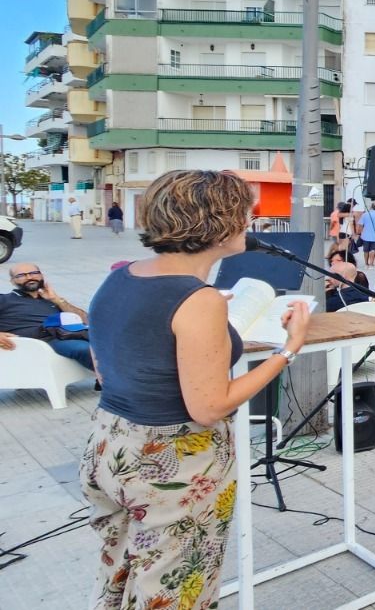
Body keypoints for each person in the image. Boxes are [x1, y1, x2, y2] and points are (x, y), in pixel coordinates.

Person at [82, 170, 312, 610]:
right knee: (177, 593)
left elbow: (105, 367)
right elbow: (209, 407)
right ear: (218, 223)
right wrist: (289, 349)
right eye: (245, 212)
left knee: (121, 578)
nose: (252, 219)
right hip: (173, 465)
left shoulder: (121, 276)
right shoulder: (197, 300)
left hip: (110, 445)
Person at [0, 263, 95, 371]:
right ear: (13, 281)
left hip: (68, 335)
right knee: (84, 348)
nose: (29, 277)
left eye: (34, 273)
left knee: (111, 341)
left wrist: (57, 300)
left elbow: (86, 320)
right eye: (21, 275)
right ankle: (112, 381)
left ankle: (108, 379)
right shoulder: (5, 299)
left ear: (42, 276)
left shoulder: (51, 300)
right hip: (40, 342)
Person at [356, 201, 375, 268]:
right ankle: (371, 264)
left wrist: (359, 232)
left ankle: (366, 264)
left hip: (365, 236)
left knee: (366, 250)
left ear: (371, 207)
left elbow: (360, 225)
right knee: (373, 250)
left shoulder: (365, 214)